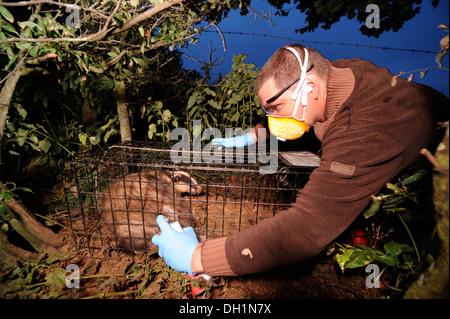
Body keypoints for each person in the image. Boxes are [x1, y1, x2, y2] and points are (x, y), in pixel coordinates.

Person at [152, 44, 449, 277]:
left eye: (275, 107)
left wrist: (199, 257)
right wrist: (255, 136)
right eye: (267, 112)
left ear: (308, 86)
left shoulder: (366, 131)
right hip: (409, 171)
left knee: (420, 264)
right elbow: (307, 118)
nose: (273, 118)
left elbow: (306, 229)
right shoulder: (339, 75)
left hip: (434, 200)